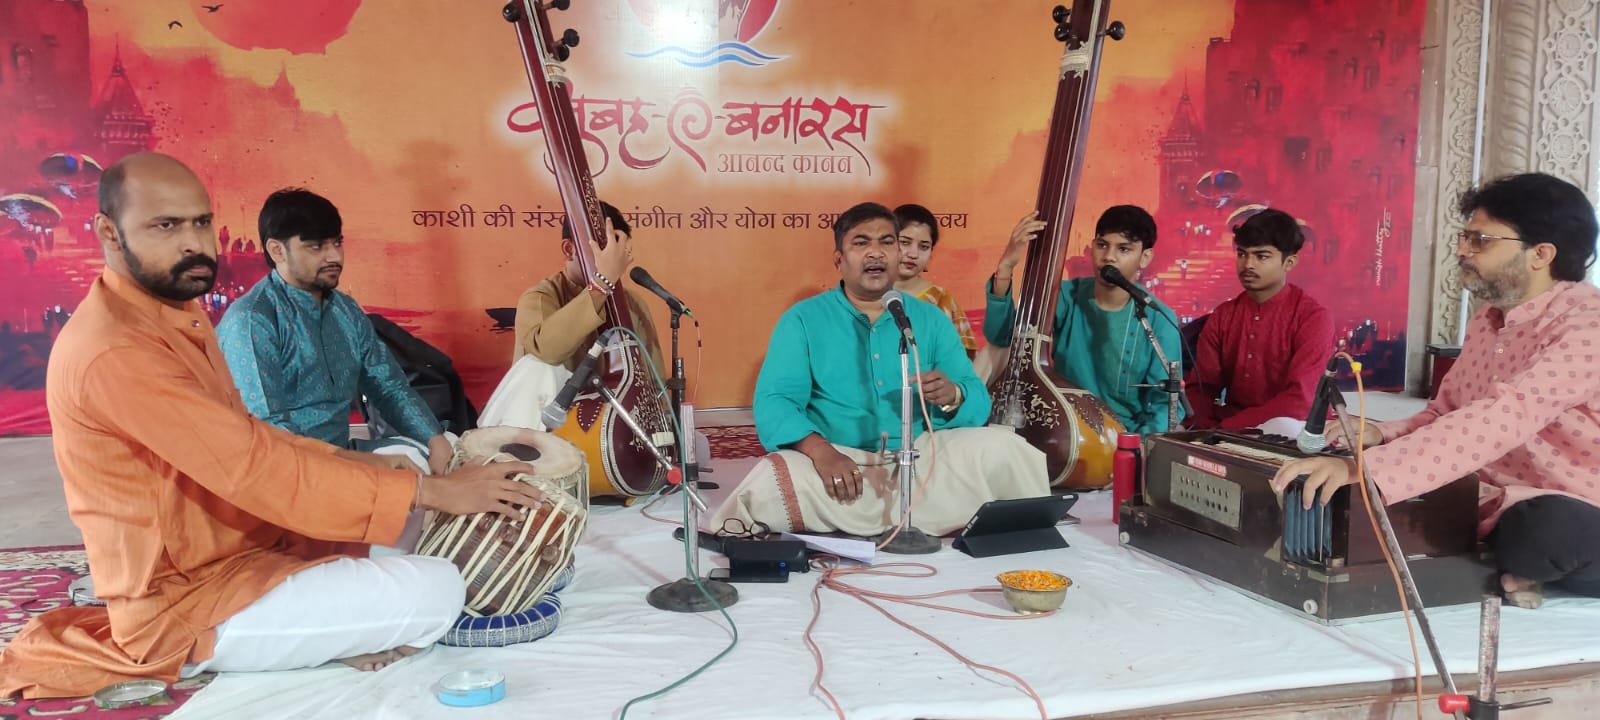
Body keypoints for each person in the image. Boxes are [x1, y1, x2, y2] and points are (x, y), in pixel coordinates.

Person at [0, 153, 543, 699]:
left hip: (250, 538)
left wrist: (405, 460)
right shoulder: (124, 348)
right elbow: (255, 460)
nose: (194, 242)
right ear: (108, 234)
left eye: (201, 222)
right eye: (165, 225)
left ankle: (329, 619)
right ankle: (244, 646)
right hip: (188, 597)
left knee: (403, 470)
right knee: (438, 588)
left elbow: (333, 406)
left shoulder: (178, 316)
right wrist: (429, 492)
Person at [1272, 173, 1600, 610]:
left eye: (1480, 239)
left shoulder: (1586, 325)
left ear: (1540, 254)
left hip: (1574, 500)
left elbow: (1506, 414)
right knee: (1438, 512)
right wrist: (1383, 435)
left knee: (1544, 532)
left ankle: (1533, 563)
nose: (1462, 250)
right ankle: (1523, 569)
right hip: (1496, 496)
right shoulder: (1489, 320)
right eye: (1464, 237)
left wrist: (1367, 473)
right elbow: (1446, 413)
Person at [710, 202, 1049, 537]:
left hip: (921, 461)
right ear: (839, 260)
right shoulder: (803, 320)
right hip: (839, 463)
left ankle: (1003, 526)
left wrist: (954, 395)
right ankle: (933, 515)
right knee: (772, 477)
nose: (876, 253)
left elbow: (974, 396)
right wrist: (820, 451)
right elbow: (776, 400)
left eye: (887, 242)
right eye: (861, 243)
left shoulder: (929, 319)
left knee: (1006, 448)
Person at [217, 189, 454, 477]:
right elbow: (267, 427)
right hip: (278, 472)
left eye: (337, 243)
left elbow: (388, 386)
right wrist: (351, 463)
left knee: (430, 452)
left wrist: (435, 439)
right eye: (316, 247)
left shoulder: (345, 311)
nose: (334, 256)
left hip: (341, 457)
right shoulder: (253, 319)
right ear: (277, 250)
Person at [479, 202, 708, 470]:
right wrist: (601, 285)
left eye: (615, 251)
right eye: (602, 250)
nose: (609, 260)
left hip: (611, 423)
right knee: (539, 368)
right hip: (552, 426)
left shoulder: (631, 304)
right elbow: (547, 353)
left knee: (697, 446)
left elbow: (650, 379)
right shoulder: (541, 297)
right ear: (569, 249)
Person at [983, 205, 1185, 434]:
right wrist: (1006, 266)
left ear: (1145, 257)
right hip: (1060, 427)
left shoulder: (1158, 318)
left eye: (1124, 249)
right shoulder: (1066, 297)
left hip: (1122, 435)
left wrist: (1135, 446)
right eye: (1102, 245)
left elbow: (1166, 404)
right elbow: (1002, 336)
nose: (1109, 257)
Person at [1186, 208, 1335, 434]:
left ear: (1289, 262)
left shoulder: (1313, 318)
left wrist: (1226, 429)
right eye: (1242, 254)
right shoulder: (1223, 316)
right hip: (1232, 424)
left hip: (1294, 424)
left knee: (1285, 426)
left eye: (1261, 256)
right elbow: (1202, 388)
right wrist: (1203, 428)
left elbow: (1300, 399)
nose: (1248, 265)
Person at [893, 203, 978, 358]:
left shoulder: (941, 299)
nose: (913, 254)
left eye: (924, 247)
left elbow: (962, 362)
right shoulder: (866, 297)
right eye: (905, 242)